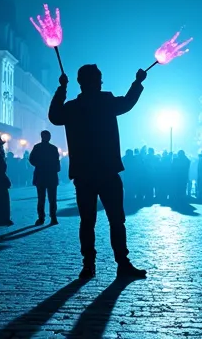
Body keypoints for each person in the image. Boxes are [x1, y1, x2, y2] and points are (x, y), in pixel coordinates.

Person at [47, 64, 149, 280]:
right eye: (100, 79)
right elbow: (128, 103)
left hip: (84, 173)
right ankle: (122, 263)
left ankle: (88, 265)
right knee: (116, 220)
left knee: (87, 222)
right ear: (96, 81)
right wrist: (138, 82)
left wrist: (62, 88)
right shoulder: (106, 102)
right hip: (108, 170)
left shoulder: (73, 107)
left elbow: (54, 116)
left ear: (80, 82)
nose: (101, 82)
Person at [30, 130, 61, 225]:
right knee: (52, 198)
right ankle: (53, 217)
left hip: (40, 176)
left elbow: (31, 160)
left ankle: (41, 218)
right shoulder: (53, 148)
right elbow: (57, 163)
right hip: (51, 176)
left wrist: (39, 165)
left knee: (41, 198)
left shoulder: (37, 147)